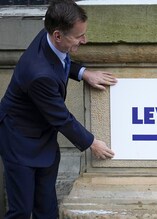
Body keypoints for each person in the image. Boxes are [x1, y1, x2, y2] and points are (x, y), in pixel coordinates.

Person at [0, 0, 116, 218]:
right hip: (19, 139)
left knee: (47, 207)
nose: (85, 40)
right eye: (79, 36)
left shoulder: (50, 38)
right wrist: (92, 143)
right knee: (21, 211)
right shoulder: (38, 74)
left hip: (43, 136)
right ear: (58, 35)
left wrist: (83, 73)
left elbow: (60, 61)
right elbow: (61, 118)